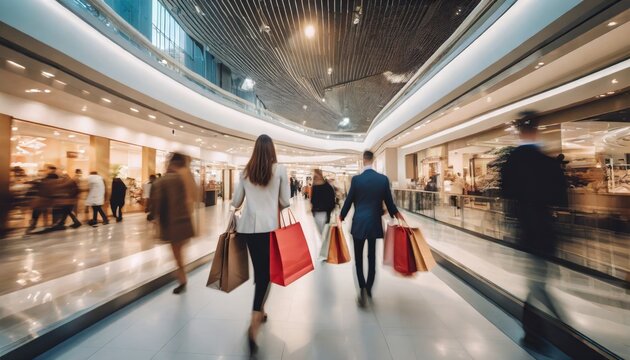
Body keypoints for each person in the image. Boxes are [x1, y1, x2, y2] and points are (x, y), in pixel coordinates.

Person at [500, 110, 568, 349]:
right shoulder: (547, 161)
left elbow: (505, 192)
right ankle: (559, 327)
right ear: (536, 129)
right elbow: (561, 196)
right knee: (538, 282)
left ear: (518, 131)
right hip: (545, 228)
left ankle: (537, 332)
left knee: (536, 281)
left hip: (525, 230)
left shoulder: (511, 161)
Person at [231, 134, 290, 354]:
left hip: (248, 229)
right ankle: (254, 323)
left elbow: (236, 202)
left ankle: (262, 311)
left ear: (255, 150)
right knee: (267, 274)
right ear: (272, 150)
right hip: (270, 229)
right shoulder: (280, 170)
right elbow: (285, 201)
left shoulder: (245, 171)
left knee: (262, 272)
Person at [340, 150, 403, 307]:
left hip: (359, 224)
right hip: (374, 223)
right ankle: (369, 288)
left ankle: (361, 288)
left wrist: (341, 216)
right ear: (373, 160)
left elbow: (348, 201)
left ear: (363, 160)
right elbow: (389, 203)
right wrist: (397, 214)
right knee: (372, 256)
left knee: (359, 259)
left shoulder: (356, 180)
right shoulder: (382, 180)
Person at [150, 153, 196, 295]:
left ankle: (182, 280)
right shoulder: (185, 180)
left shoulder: (162, 181)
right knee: (179, 253)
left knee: (177, 255)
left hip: (171, 224)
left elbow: (156, 203)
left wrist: (154, 220)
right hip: (185, 222)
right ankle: (181, 277)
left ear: (170, 164)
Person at [310, 169, 336, 235]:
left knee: (325, 234)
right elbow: (312, 200)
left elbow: (332, 200)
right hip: (317, 213)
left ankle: (326, 244)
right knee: (322, 234)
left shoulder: (327, 187)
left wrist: (329, 209)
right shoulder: (315, 187)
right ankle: (324, 243)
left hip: (325, 213)